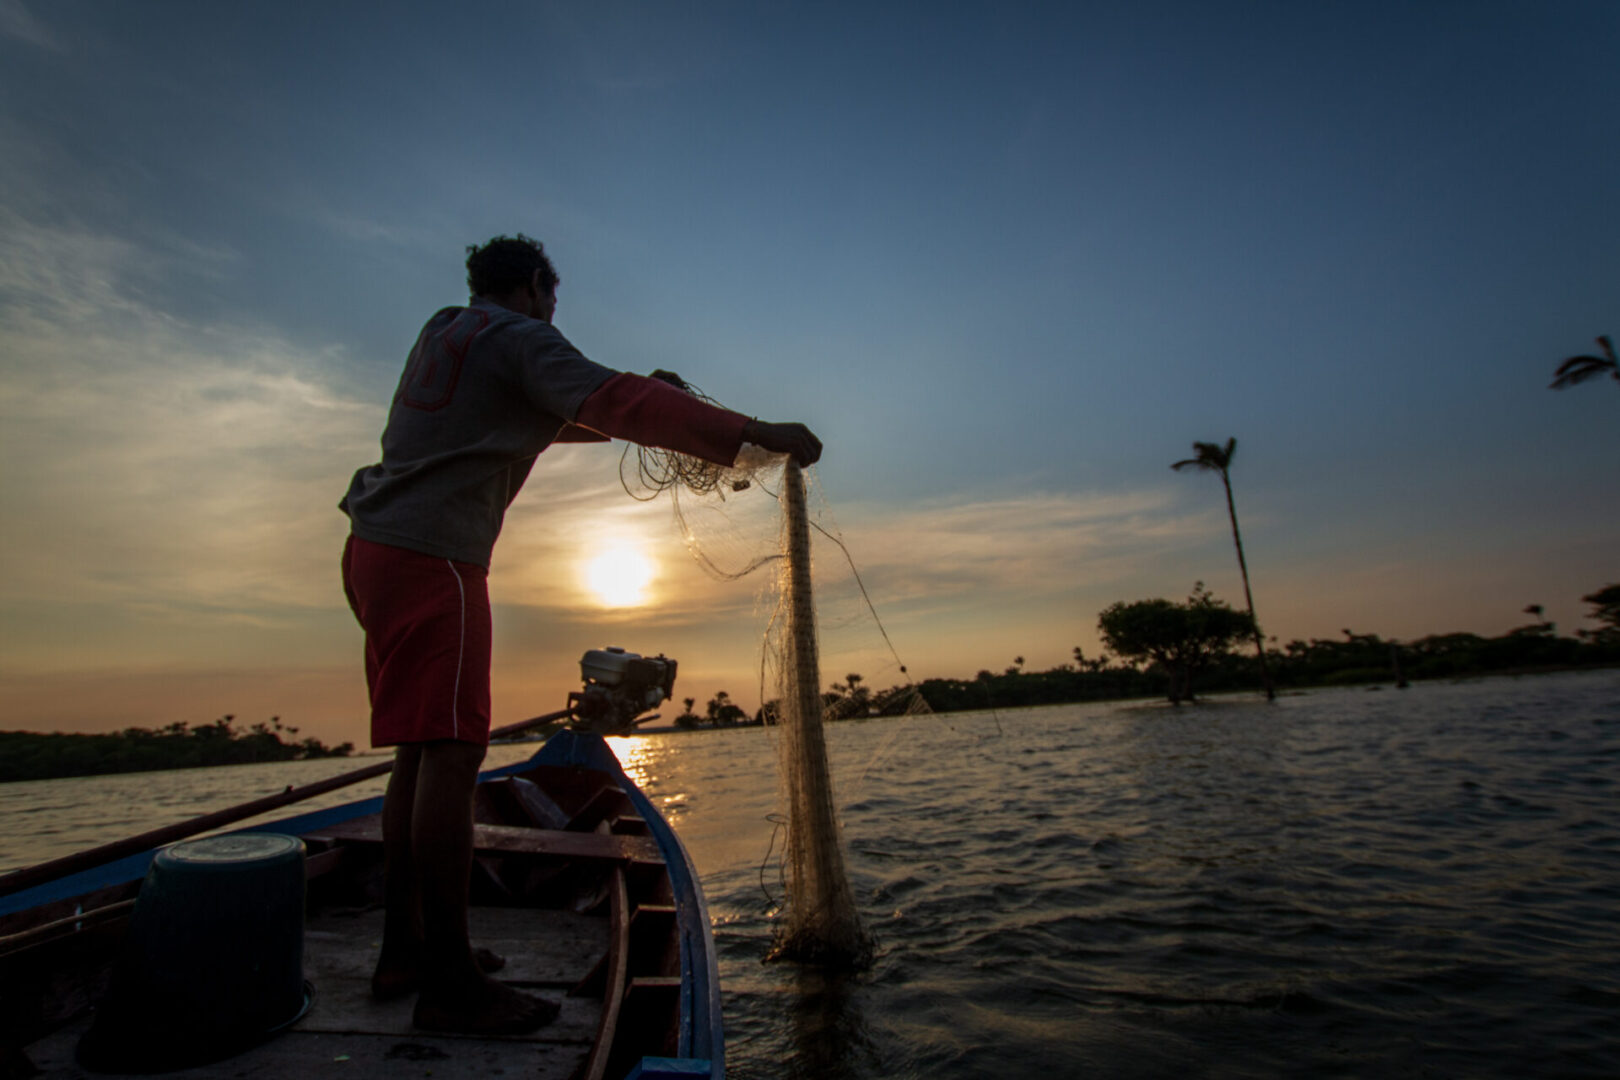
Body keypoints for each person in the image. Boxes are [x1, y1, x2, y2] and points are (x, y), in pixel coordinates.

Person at [339, 234, 821, 1035]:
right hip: (436, 561)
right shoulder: (522, 336)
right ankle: (450, 981)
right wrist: (748, 429)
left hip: (374, 549)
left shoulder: (444, 332)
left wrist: (608, 406)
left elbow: (545, 413)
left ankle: (407, 948)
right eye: (552, 301)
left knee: (418, 755)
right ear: (534, 288)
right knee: (454, 756)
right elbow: (613, 399)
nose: (551, 315)